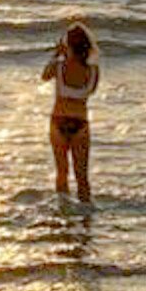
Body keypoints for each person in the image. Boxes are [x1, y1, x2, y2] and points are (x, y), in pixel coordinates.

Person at [41, 22, 99, 202]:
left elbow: (44, 76)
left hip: (58, 122)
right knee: (82, 179)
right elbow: (90, 92)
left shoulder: (58, 67)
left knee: (61, 174)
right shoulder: (93, 71)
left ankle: (63, 217)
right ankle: (86, 222)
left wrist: (57, 54)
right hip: (80, 123)